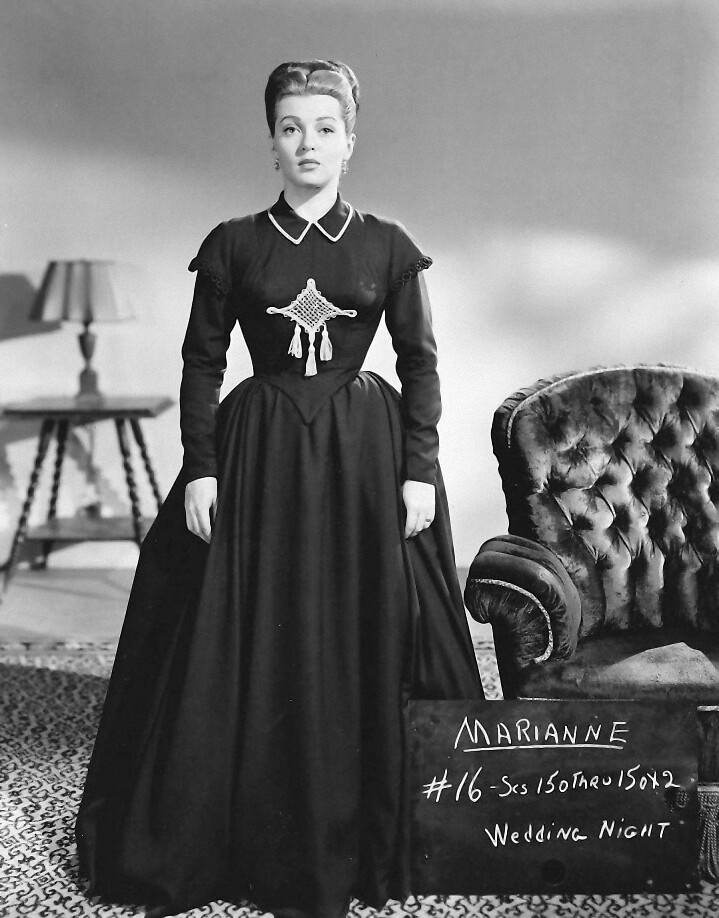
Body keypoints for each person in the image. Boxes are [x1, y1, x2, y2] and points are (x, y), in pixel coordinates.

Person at [75, 59, 483, 918]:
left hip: (364, 456)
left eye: (325, 129)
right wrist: (201, 468)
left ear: (349, 142)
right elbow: (201, 363)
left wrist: (417, 473)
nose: (308, 144)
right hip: (257, 451)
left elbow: (419, 363)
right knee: (244, 622)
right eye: (291, 128)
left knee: (362, 622)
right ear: (271, 142)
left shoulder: (386, 244)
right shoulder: (233, 243)